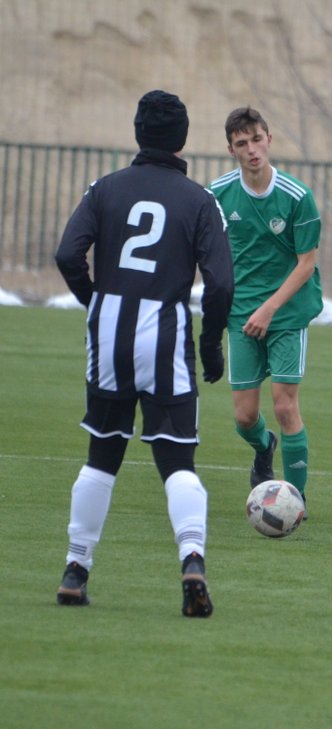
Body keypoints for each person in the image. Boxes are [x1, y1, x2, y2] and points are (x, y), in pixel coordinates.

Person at [53, 89, 233, 617]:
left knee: (102, 458)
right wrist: (210, 344)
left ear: (138, 133)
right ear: (181, 139)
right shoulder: (200, 200)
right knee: (178, 462)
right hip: (165, 335)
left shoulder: (105, 188)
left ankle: (75, 568)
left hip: (109, 333)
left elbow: (67, 254)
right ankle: (192, 559)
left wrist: (96, 300)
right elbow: (220, 284)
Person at [209, 107, 322, 503]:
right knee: (243, 417)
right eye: (242, 144)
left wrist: (271, 308)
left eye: (257, 139)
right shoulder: (218, 194)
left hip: (287, 313)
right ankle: (263, 446)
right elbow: (208, 252)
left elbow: (306, 263)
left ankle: (295, 498)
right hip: (241, 314)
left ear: (269, 139)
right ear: (231, 150)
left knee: (285, 404)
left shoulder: (297, 197)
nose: (252, 149)